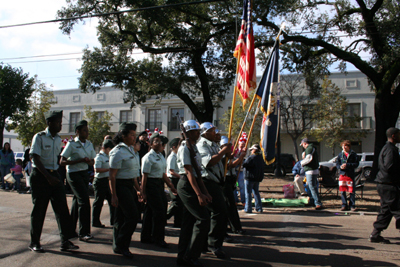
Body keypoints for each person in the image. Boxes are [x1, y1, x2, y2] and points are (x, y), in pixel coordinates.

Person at [28, 110, 79, 253]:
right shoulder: (39, 137)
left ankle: (65, 241)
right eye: (58, 123)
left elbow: (57, 158)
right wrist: (48, 177)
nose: (60, 125)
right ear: (49, 123)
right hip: (40, 176)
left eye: (61, 122)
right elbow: (35, 158)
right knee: (39, 210)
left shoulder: (58, 139)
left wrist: (57, 174)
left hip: (54, 175)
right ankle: (34, 242)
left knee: (62, 209)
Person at [176, 120, 212, 267]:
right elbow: (189, 172)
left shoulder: (194, 147)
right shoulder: (185, 148)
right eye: (196, 131)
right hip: (187, 185)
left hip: (194, 183)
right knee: (203, 219)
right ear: (188, 132)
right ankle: (190, 256)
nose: (199, 134)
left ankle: (183, 256)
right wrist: (199, 194)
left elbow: (198, 173)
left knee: (189, 222)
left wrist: (205, 192)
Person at [197, 122, 231, 259]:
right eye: (212, 131)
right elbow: (209, 162)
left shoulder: (214, 145)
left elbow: (220, 161)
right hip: (207, 182)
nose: (216, 133)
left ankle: (206, 243)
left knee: (215, 213)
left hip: (216, 182)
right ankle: (213, 244)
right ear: (204, 132)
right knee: (219, 212)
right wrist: (223, 151)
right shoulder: (202, 145)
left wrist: (226, 154)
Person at [60, 120, 96, 241]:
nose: (87, 133)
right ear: (78, 132)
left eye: (87, 130)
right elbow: (62, 161)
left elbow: (92, 160)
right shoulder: (71, 144)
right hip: (73, 174)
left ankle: (70, 229)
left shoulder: (89, 144)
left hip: (84, 173)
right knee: (84, 201)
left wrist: (89, 161)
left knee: (77, 201)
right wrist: (78, 161)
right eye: (84, 130)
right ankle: (84, 232)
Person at [109, 122, 141, 258]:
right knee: (133, 216)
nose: (135, 138)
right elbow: (112, 175)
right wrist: (114, 195)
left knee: (121, 218)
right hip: (121, 186)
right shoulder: (117, 151)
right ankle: (123, 245)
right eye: (132, 135)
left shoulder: (130, 150)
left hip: (129, 186)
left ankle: (118, 246)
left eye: (135, 135)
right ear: (123, 136)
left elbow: (133, 174)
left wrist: (139, 190)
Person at [141, 133, 177, 248]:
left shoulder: (161, 156)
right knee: (159, 212)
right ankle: (158, 238)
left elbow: (162, 174)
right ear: (150, 144)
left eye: (160, 141)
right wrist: (143, 192)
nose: (159, 143)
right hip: (151, 185)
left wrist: (170, 185)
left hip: (159, 184)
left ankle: (146, 236)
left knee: (150, 211)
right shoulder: (148, 157)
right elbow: (144, 176)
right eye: (156, 141)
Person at [369, 127, 400, 244]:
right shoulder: (390, 150)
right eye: (399, 134)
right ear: (394, 136)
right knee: (397, 209)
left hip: (385, 184)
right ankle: (375, 234)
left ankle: (375, 234)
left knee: (386, 210)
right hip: (389, 184)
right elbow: (389, 167)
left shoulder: (387, 148)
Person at [220, 136, 246, 235]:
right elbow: (231, 165)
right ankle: (234, 227)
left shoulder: (230, 155)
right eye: (227, 146)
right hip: (224, 181)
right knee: (229, 205)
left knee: (230, 205)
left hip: (230, 181)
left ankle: (233, 226)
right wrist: (241, 157)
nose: (230, 148)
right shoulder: (222, 156)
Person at [92, 139, 116, 228]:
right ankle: (95, 221)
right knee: (98, 202)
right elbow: (97, 169)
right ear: (104, 148)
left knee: (112, 201)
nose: (110, 151)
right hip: (100, 181)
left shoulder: (109, 156)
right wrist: (109, 170)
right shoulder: (99, 157)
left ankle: (113, 220)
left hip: (108, 181)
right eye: (109, 149)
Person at [336, 140, 359, 211]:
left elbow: (356, 164)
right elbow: (337, 163)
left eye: (345, 146)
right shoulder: (340, 154)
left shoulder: (353, 154)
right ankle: (344, 204)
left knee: (351, 190)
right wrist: (340, 167)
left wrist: (348, 165)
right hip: (342, 174)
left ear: (348, 147)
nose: (344, 148)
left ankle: (352, 205)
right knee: (342, 190)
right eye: (343, 146)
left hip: (350, 174)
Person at [300, 138, 323, 210]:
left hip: (310, 170)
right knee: (310, 186)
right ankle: (313, 201)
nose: (303, 146)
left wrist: (302, 163)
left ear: (305, 143)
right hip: (314, 170)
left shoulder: (309, 148)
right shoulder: (313, 148)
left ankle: (317, 203)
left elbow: (308, 158)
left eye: (303, 145)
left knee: (312, 187)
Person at [166, 137, 183, 228]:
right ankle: (165, 217)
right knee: (176, 201)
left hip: (177, 179)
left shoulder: (178, 155)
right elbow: (171, 171)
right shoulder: (172, 157)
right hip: (173, 179)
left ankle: (178, 222)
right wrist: (181, 176)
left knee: (180, 202)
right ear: (174, 146)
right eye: (179, 145)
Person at [242, 144, 264, 213]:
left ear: (254, 150)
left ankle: (248, 208)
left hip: (249, 178)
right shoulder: (261, 158)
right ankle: (259, 207)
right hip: (257, 178)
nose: (251, 151)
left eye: (252, 150)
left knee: (248, 194)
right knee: (256, 193)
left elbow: (244, 164)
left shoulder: (251, 158)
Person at [234, 140, 246, 205]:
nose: (242, 146)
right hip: (235, 170)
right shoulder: (236, 151)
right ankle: (235, 200)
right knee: (234, 186)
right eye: (241, 145)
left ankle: (243, 200)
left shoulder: (245, 151)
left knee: (242, 186)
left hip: (241, 171)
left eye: (243, 145)